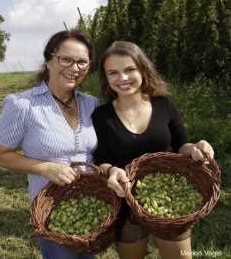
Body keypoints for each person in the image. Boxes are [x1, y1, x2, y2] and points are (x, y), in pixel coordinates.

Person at [91, 41, 215, 259]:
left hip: (167, 199)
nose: (122, 78)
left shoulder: (163, 105)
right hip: (124, 202)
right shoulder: (102, 115)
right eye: (113, 73)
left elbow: (181, 146)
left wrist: (196, 147)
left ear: (142, 69)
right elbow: (101, 160)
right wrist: (111, 172)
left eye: (129, 69)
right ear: (106, 77)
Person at [0, 30, 99, 259]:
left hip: (93, 206)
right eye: (65, 59)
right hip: (51, 209)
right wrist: (47, 168)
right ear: (49, 60)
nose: (74, 68)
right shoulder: (22, 105)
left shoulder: (91, 104)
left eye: (82, 62)